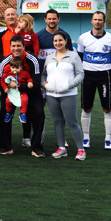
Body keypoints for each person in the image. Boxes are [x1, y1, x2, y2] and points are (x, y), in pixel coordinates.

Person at [0, 35, 45, 157]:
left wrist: (17, 87)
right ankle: (5, 146)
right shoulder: (5, 62)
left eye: (19, 45)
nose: (16, 48)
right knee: (4, 111)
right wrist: (10, 92)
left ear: (24, 46)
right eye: (13, 46)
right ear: (10, 47)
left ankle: (37, 147)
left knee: (39, 112)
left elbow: (36, 84)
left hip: (30, 93)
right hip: (10, 93)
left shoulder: (33, 59)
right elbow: (0, 83)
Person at [42, 32, 86, 160]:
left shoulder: (73, 56)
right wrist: (44, 86)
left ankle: (81, 149)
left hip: (68, 94)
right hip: (51, 95)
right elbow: (43, 75)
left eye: (60, 40)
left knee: (72, 122)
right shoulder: (49, 58)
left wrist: (69, 86)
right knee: (57, 122)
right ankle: (61, 148)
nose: (58, 43)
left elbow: (80, 74)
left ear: (66, 40)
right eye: (55, 41)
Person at [77, 11, 111, 150]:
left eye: (100, 19)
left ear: (104, 22)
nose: (98, 22)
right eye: (95, 19)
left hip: (104, 76)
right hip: (87, 75)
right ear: (92, 21)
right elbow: (80, 56)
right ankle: (86, 137)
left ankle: (108, 139)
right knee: (86, 107)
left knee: (107, 108)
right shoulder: (83, 38)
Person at [0, 57, 33, 124]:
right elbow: (2, 80)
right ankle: (9, 113)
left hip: (22, 92)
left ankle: (23, 114)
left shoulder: (25, 73)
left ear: (21, 67)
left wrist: (30, 82)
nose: (15, 69)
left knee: (25, 100)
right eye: (13, 68)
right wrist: (5, 87)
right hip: (12, 92)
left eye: (17, 68)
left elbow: (29, 78)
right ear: (10, 67)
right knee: (8, 101)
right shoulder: (8, 74)